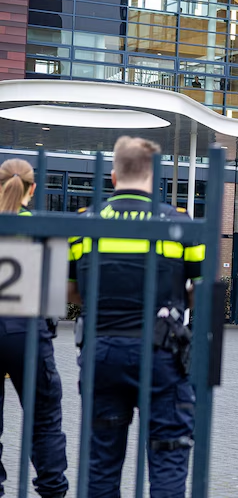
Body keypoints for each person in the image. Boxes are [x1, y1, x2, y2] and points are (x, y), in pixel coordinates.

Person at [68, 137, 203, 498]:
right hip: (161, 351)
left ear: (113, 176)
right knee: (168, 455)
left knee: (101, 462)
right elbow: (202, 289)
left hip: (102, 351)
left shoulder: (85, 223)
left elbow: (71, 291)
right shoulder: (178, 223)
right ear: (153, 176)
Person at [0, 158, 70, 498]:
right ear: (33, 188)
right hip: (27, 331)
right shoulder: (44, 227)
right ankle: (52, 490)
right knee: (44, 421)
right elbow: (55, 298)